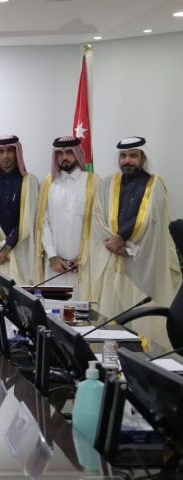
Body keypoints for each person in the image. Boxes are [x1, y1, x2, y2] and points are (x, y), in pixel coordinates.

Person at [89, 137, 181, 352]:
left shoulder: (154, 185)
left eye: (133, 155)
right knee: (113, 317)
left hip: (142, 267)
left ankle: (142, 365)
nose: (127, 160)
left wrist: (123, 240)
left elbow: (152, 221)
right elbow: (98, 216)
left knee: (141, 321)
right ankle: (110, 363)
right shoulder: (107, 184)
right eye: (123, 156)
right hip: (114, 263)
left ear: (143, 158)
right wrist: (113, 243)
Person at [36, 137, 98, 299]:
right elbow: (43, 223)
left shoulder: (94, 182)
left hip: (84, 265)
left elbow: (98, 225)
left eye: (69, 152)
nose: (64, 157)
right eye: (60, 153)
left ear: (78, 153)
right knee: (54, 309)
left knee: (83, 309)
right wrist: (52, 256)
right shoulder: (48, 183)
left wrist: (83, 256)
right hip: (54, 266)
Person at [0, 135, 40, 284]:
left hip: (22, 250)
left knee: (22, 294)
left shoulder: (30, 181)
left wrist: (8, 246)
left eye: (10, 150)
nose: (5, 156)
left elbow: (30, 218)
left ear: (17, 152)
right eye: (1, 151)